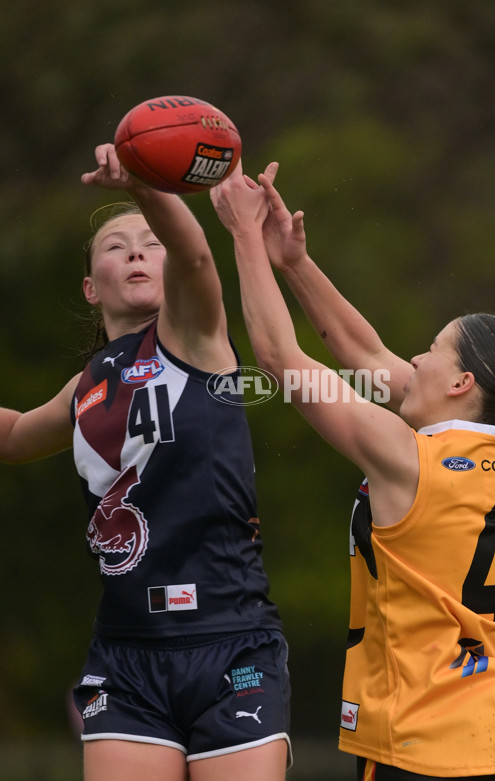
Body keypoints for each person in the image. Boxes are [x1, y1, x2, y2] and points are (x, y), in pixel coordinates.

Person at [210, 161, 495, 781]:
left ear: (461, 383)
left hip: (422, 746)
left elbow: (277, 356)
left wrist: (242, 234)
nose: (415, 357)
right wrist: (292, 262)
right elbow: (366, 354)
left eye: (432, 349)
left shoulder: (409, 456)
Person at [0, 145, 291, 781]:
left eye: (146, 243)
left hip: (229, 640)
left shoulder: (191, 336)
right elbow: (16, 434)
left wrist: (142, 185)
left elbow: (191, 253)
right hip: (126, 653)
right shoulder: (86, 387)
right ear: (89, 284)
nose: (135, 250)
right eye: (114, 246)